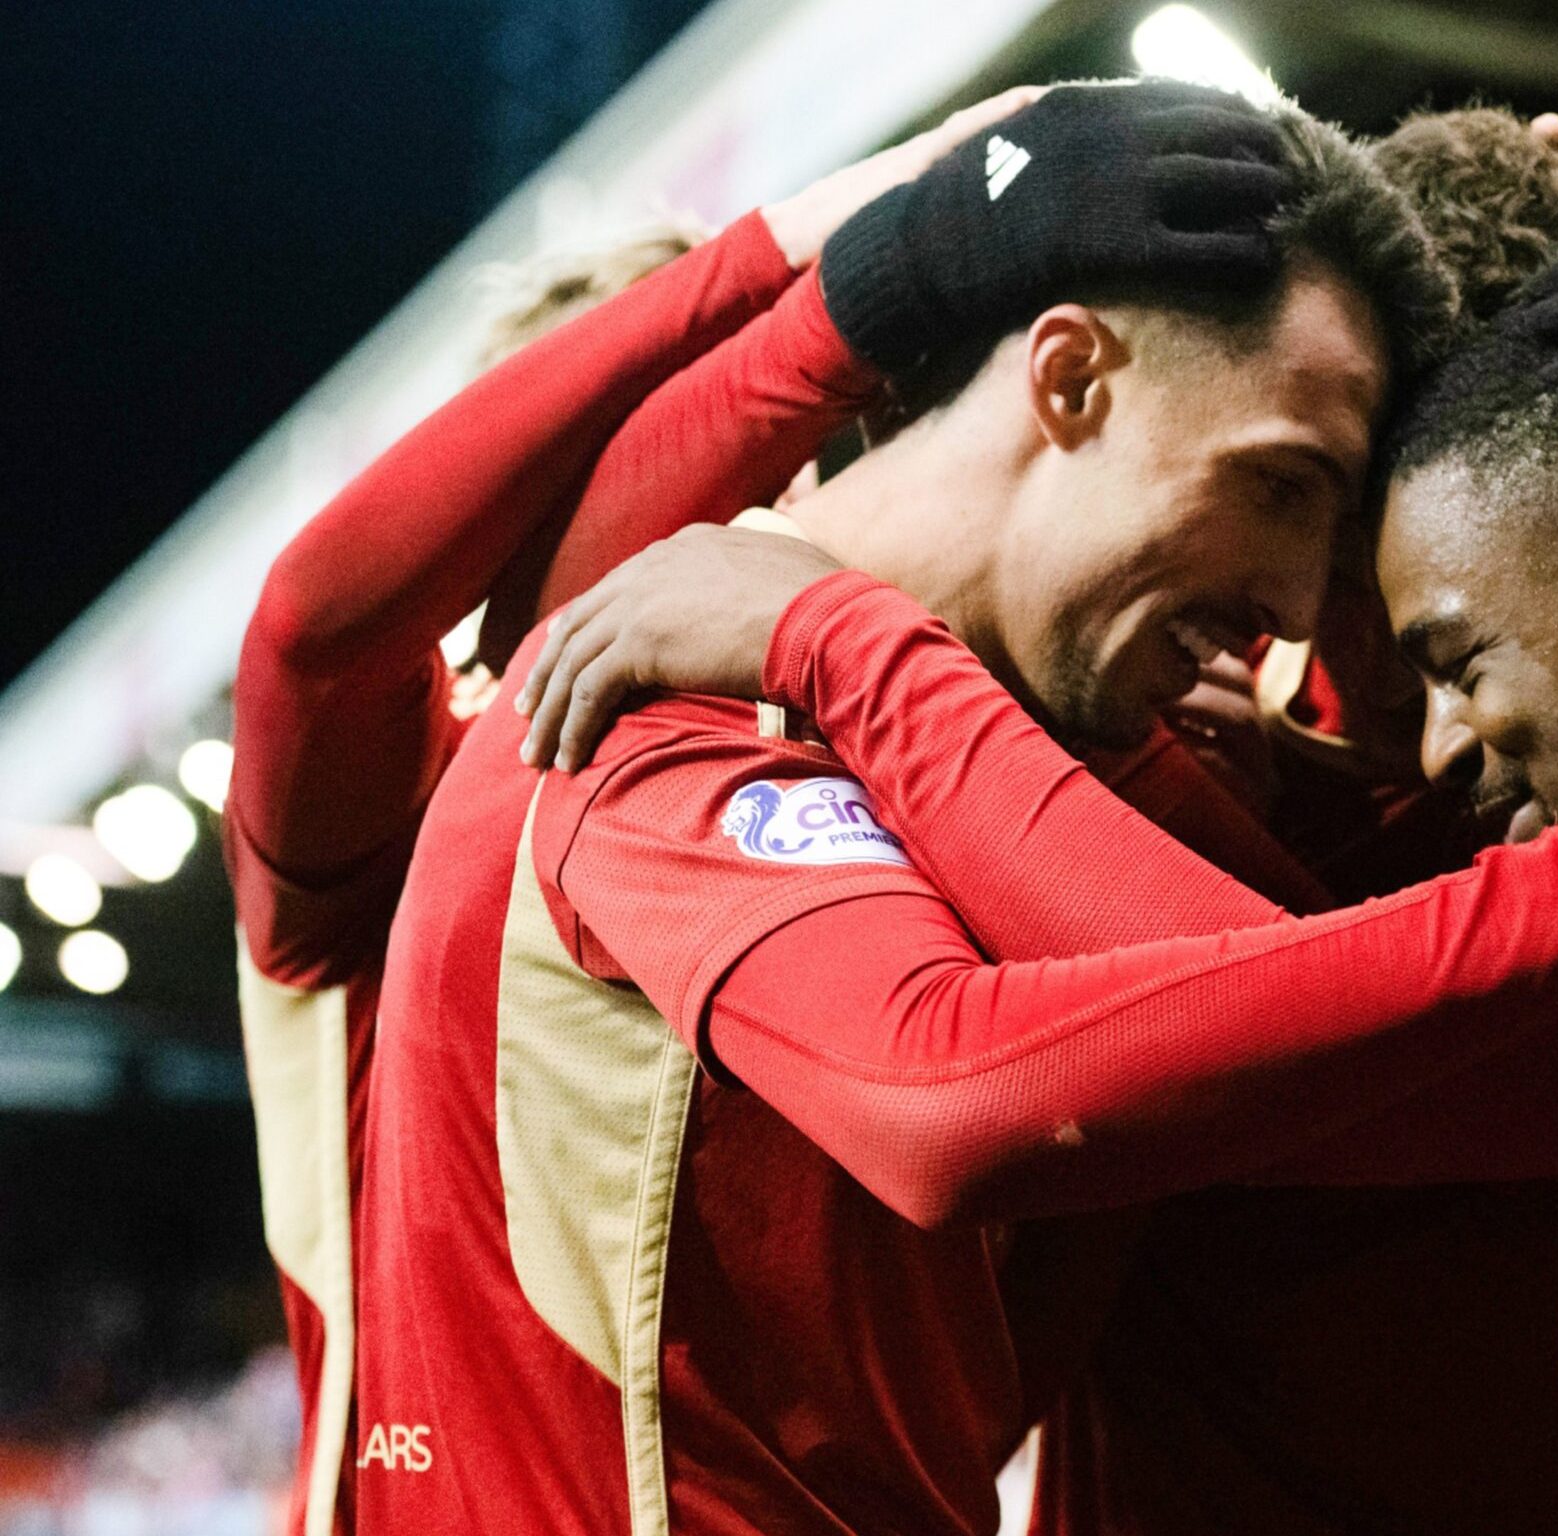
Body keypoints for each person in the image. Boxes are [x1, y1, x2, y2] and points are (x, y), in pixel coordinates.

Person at [352, 82, 1558, 1536]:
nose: (1290, 605)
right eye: (1280, 488)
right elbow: (956, 1097)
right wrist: (852, 286)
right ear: (1070, 383)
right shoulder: (697, 690)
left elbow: (1239, 1070)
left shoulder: (1078, 760)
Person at [223, 87, 1036, 1536]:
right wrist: (791, 258)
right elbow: (308, 634)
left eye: (763, 448)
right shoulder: (395, 775)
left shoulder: (861, 737)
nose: (733, 491)